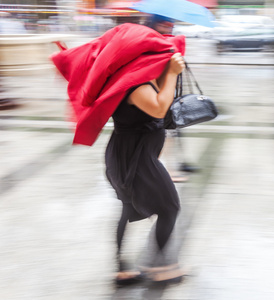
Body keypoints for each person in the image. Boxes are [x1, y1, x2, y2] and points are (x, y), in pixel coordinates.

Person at [105, 48, 187, 286]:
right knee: (170, 207)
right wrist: (171, 73)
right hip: (137, 161)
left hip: (129, 156)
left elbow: (162, 97)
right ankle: (162, 269)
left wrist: (167, 73)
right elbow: (160, 108)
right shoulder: (135, 86)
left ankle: (121, 270)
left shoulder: (137, 79)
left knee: (128, 210)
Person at [144, 14, 200, 182]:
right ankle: (163, 169)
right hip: (154, 95)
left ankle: (166, 167)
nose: (169, 27)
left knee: (169, 133)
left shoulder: (168, 42)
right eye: (164, 24)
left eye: (171, 24)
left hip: (166, 94)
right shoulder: (149, 41)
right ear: (154, 23)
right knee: (163, 134)